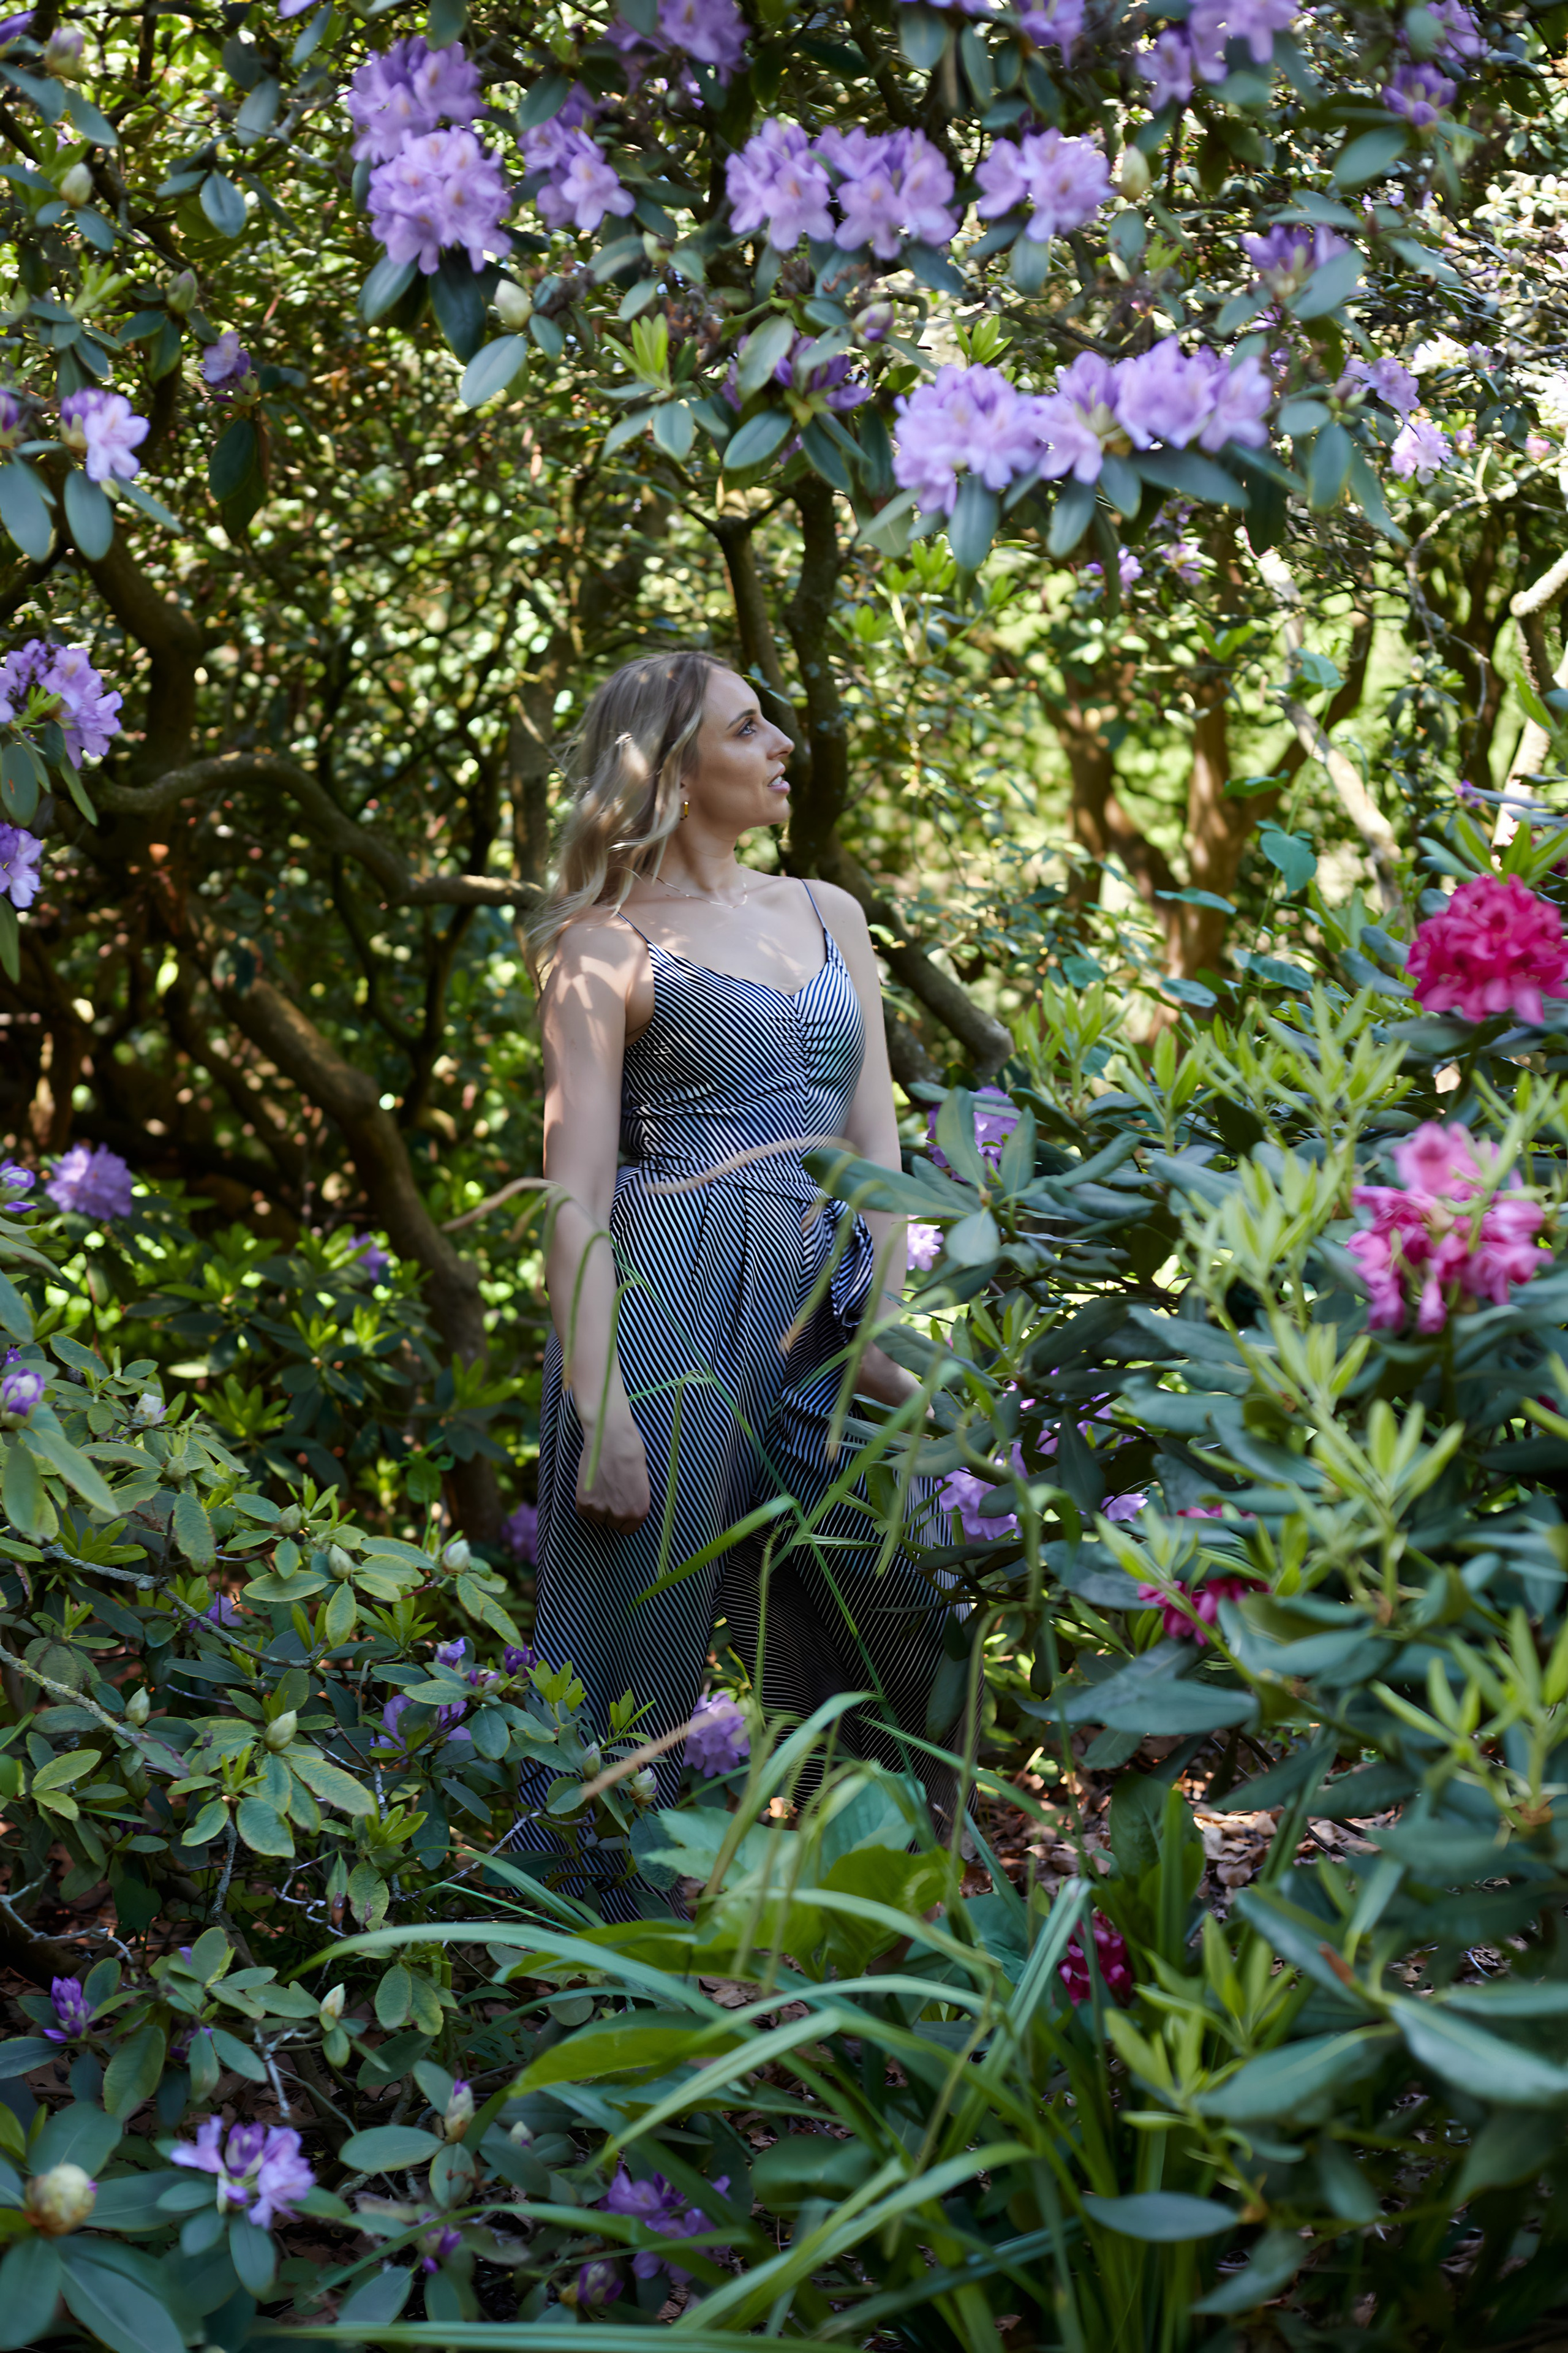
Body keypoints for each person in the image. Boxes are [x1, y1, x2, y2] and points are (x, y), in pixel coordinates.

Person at [521, 650, 957, 1915]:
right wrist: (600, 1407)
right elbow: (575, 1195)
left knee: (907, 1632)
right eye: (746, 727)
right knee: (622, 1679)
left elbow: (876, 1153)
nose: (781, 745)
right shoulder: (600, 946)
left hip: (816, 1306)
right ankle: (569, 1989)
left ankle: (890, 1932)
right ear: (668, 768)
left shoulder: (829, 912)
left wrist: (883, 1340)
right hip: (666, 1304)